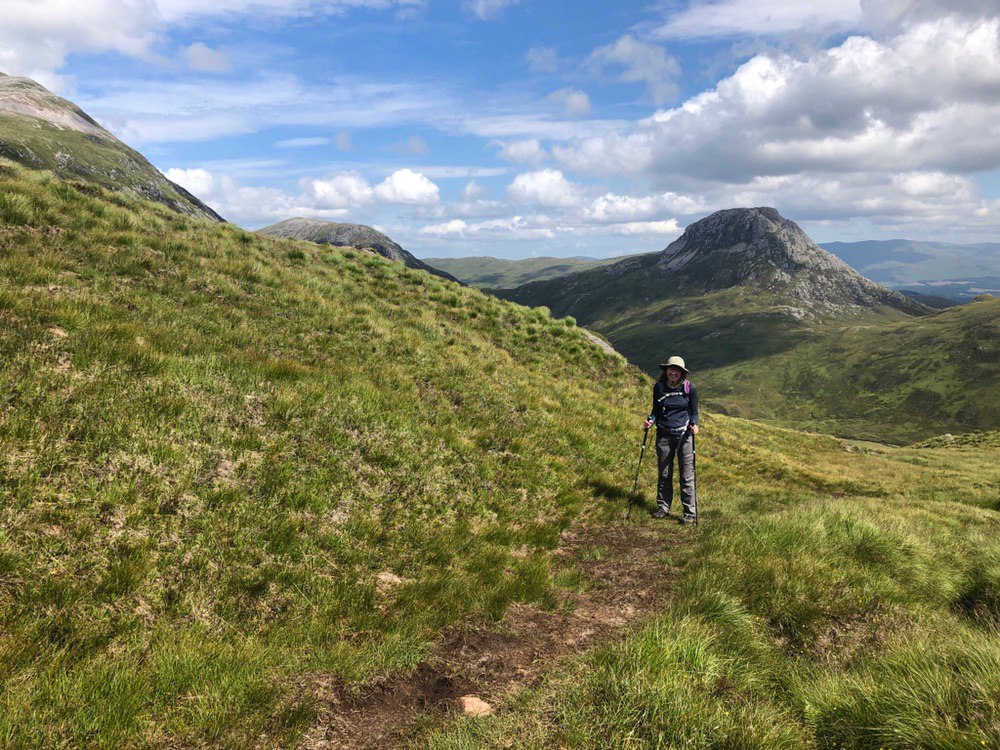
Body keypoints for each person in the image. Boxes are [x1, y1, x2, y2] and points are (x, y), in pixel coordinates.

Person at [643, 356, 699, 524]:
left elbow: (694, 412)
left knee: (686, 476)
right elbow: (656, 410)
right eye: (670, 369)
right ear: (666, 370)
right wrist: (650, 420)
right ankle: (663, 508)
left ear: (682, 373)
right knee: (665, 473)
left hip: (684, 437)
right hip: (663, 435)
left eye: (677, 370)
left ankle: (689, 512)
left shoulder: (690, 388)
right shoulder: (659, 388)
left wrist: (694, 424)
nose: (673, 372)